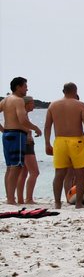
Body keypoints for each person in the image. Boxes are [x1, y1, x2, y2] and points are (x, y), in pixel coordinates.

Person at [43, 82, 84, 209]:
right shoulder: (80, 105)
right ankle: (78, 203)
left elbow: (47, 126)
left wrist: (47, 142)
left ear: (63, 91)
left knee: (59, 174)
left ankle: (57, 202)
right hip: (76, 141)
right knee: (80, 174)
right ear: (75, 91)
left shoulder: (53, 105)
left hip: (59, 141)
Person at [2, 77, 31, 205]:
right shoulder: (18, 100)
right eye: (25, 86)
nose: (27, 89)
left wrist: (3, 130)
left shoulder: (5, 100)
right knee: (16, 167)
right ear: (18, 87)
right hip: (17, 135)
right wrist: (35, 128)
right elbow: (22, 120)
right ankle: (10, 199)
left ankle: (10, 198)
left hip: (8, 134)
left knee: (10, 168)